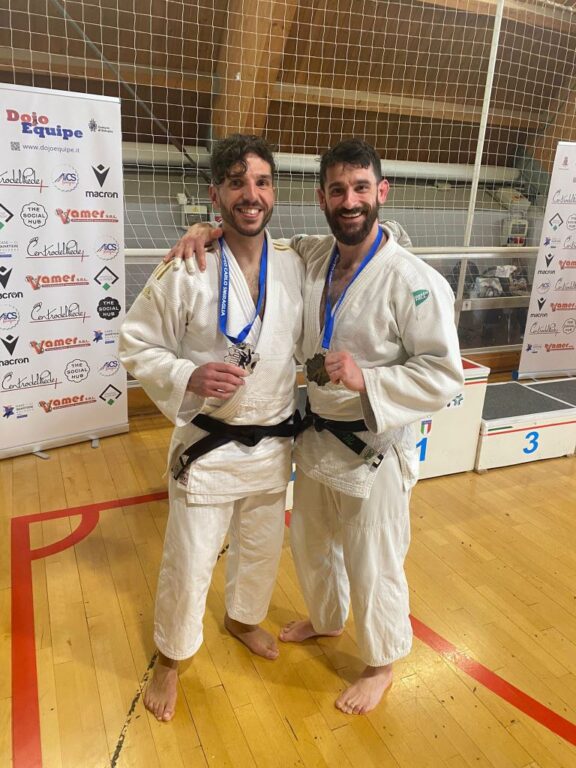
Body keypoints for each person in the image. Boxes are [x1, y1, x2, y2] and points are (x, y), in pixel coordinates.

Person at [163, 138, 464, 715]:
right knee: (310, 544)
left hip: (374, 442)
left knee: (373, 557)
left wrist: (369, 379)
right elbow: (251, 237)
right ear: (321, 198)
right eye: (337, 190)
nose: (349, 202)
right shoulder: (314, 254)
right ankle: (327, 620)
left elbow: (443, 374)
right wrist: (206, 229)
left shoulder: (413, 279)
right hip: (316, 434)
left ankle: (381, 663)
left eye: (360, 188)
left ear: (381, 192)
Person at [119, 134, 303, 721]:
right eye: (237, 182)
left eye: (263, 182)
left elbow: (370, 240)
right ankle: (171, 658)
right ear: (215, 193)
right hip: (209, 444)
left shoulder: (296, 261)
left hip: (272, 439)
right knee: (191, 558)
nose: (252, 194)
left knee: (261, 548)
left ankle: (243, 618)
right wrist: (187, 374)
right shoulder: (188, 265)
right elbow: (135, 341)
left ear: (274, 192)